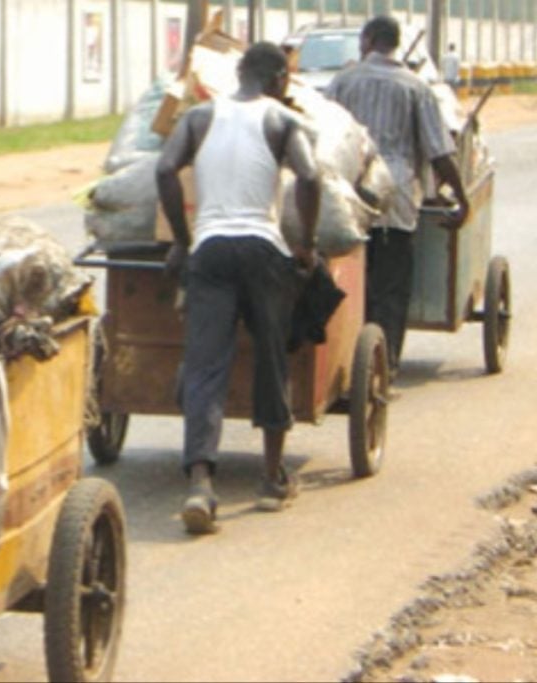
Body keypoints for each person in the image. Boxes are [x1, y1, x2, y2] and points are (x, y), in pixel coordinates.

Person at [157, 42, 322, 535]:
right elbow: (310, 176)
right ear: (279, 81)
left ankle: (200, 486)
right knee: (272, 357)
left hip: (210, 250)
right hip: (261, 250)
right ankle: (271, 480)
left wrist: (183, 243)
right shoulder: (281, 121)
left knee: (206, 364)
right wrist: (308, 245)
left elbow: (165, 169)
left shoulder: (199, 117)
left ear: (240, 75)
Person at [326, 16, 469, 378]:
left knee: (350, 280)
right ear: (394, 43)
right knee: (391, 286)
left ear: (369, 40)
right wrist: (461, 197)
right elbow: (439, 151)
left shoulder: (343, 82)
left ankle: (344, 360)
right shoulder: (415, 87)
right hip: (397, 199)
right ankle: (383, 366)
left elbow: (323, 137)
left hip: (348, 197)